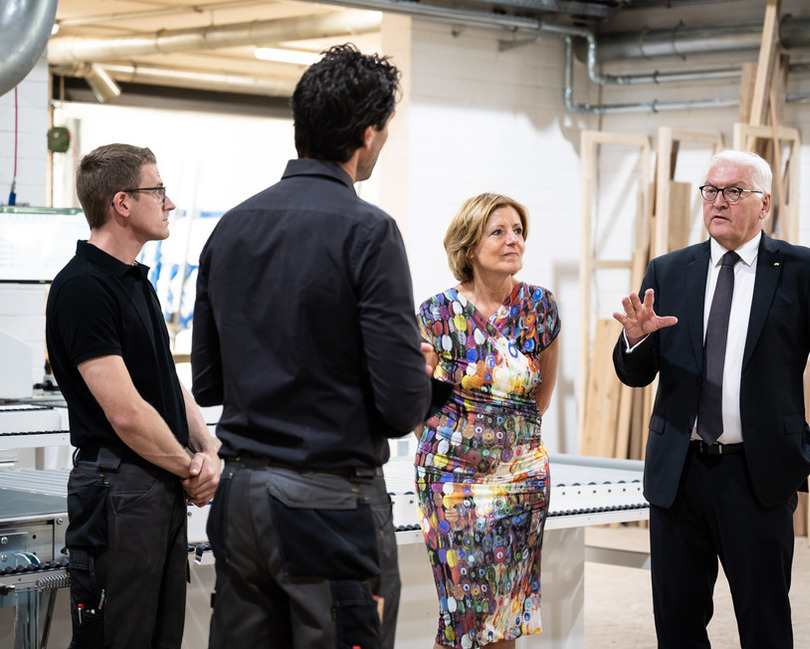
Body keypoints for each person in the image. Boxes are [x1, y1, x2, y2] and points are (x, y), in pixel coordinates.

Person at [191, 44, 449, 649]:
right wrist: (421, 377)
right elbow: (399, 407)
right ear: (366, 134)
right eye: (384, 130)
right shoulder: (369, 231)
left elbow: (207, 383)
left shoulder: (232, 227)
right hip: (327, 505)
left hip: (240, 499)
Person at [612, 150, 810, 648]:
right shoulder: (669, 271)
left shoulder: (800, 270)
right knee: (678, 624)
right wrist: (637, 341)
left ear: (764, 203)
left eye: (734, 192)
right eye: (710, 191)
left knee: (764, 622)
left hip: (758, 475)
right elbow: (635, 376)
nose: (718, 202)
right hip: (678, 475)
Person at [46, 143, 220, 649]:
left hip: (154, 486)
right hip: (118, 491)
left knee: (159, 638)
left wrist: (207, 448)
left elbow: (166, 378)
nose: (169, 204)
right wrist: (189, 467)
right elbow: (124, 413)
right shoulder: (82, 287)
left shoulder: (136, 284)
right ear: (122, 203)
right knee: (118, 638)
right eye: (158, 190)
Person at [414, 193, 561, 649]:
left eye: (517, 231)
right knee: (463, 618)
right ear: (469, 247)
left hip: (521, 479)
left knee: (505, 612)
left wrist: (508, 450)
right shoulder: (437, 314)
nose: (512, 240)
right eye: (498, 232)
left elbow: (542, 391)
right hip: (452, 482)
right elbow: (417, 402)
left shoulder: (539, 306)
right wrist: (454, 448)